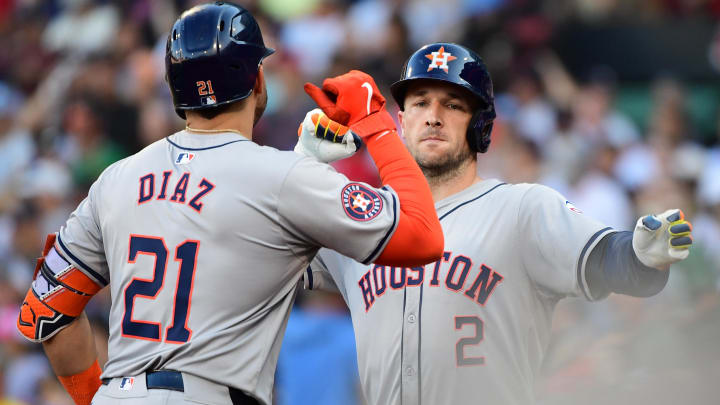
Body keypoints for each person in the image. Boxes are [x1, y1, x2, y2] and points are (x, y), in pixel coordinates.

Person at [15, 3, 444, 405]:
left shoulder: (117, 178)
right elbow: (422, 238)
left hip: (118, 391)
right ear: (258, 81)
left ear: (172, 87)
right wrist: (377, 125)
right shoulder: (281, 178)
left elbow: (47, 312)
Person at [303, 43, 694, 405]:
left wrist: (640, 255)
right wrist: (301, 164)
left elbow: (609, 259)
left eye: (453, 105)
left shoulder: (521, 208)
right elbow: (261, 253)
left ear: (481, 125)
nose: (434, 117)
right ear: (401, 121)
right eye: (420, 103)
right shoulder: (363, 216)